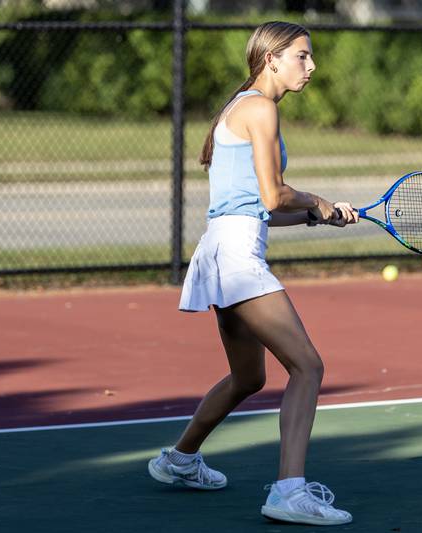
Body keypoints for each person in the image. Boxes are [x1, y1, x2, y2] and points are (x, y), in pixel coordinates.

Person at [147, 21, 357, 527]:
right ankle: (289, 492)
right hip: (237, 258)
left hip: (221, 250)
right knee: (307, 367)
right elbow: (273, 196)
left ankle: (178, 460)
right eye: (302, 57)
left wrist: (315, 215)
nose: (311, 67)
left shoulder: (240, 106)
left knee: (249, 376)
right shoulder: (259, 108)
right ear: (272, 59)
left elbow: (256, 206)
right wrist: (316, 200)